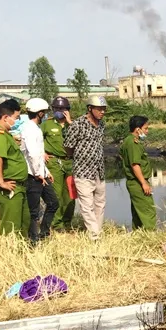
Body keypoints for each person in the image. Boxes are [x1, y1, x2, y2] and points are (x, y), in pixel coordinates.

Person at [64, 96, 107, 240]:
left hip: (99, 170)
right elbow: (68, 146)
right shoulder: (78, 124)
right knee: (86, 205)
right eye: (99, 109)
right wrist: (78, 156)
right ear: (90, 108)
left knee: (100, 203)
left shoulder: (101, 125)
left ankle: (98, 230)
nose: (102, 112)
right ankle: (94, 236)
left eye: (104, 109)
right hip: (83, 171)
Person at [20, 98, 59, 244]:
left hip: (39, 173)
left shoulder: (34, 129)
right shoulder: (30, 129)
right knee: (34, 210)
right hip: (33, 176)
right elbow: (32, 154)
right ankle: (33, 240)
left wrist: (46, 171)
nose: (46, 115)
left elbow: (39, 154)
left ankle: (43, 232)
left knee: (53, 203)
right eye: (45, 113)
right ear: (40, 113)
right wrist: (38, 174)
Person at [0, 102, 30, 235]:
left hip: (18, 186)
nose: (17, 121)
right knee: (11, 227)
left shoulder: (6, 134)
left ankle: (22, 253)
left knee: (23, 223)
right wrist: (1, 182)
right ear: (6, 117)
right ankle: (10, 252)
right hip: (9, 186)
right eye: (16, 118)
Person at [42, 96, 75, 230]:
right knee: (57, 194)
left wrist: (70, 122)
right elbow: (36, 140)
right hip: (54, 162)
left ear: (67, 110)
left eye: (61, 108)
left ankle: (67, 223)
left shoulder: (73, 124)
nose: (58, 111)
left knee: (70, 196)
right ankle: (56, 224)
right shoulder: (47, 124)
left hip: (70, 162)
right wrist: (41, 153)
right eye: (56, 108)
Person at [120, 115, 157, 230]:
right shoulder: (132, 143)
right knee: (148, 210)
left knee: (138, 212)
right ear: (138, 129)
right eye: (145, 128)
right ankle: (151, 237)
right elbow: (135, 165)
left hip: (136, 182)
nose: (147, 131)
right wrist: (143, 183)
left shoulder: (129, 141)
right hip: (137, 182)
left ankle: (138, 235)